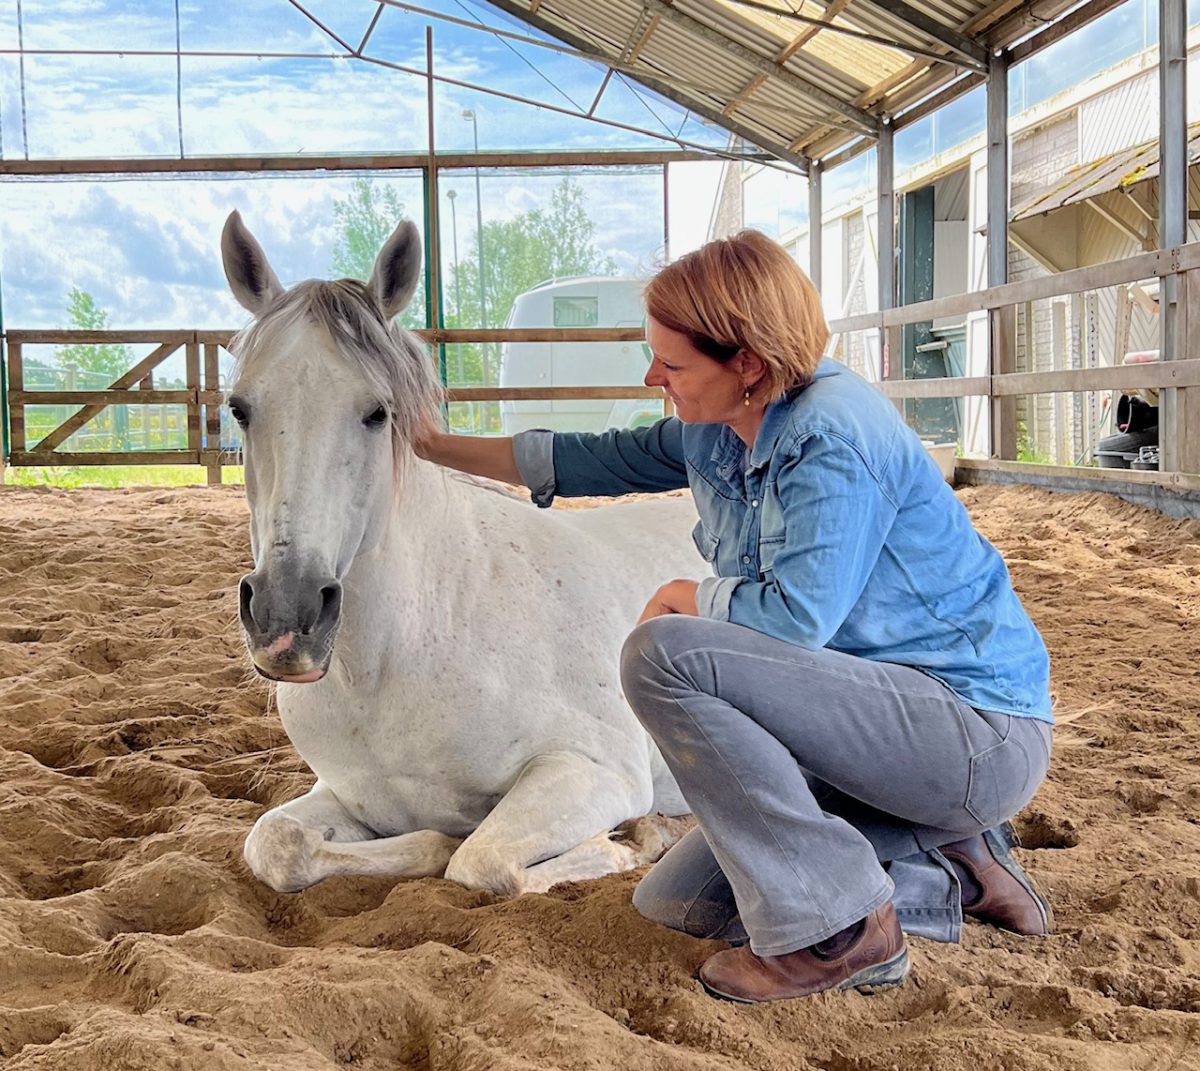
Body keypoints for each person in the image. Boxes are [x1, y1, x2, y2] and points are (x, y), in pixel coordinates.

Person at [417, 230, 1054, 1004]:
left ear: (746, 364)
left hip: (970, 732)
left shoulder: (831, 436)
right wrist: (426, 444)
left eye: (672, 363)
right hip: (869, 730)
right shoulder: (719, 427)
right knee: (679, 903)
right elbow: (585, 458)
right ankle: (953, 860)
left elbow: (796, 618)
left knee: (663, 654)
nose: (654, 377)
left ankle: (851, 933)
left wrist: (693, 595)